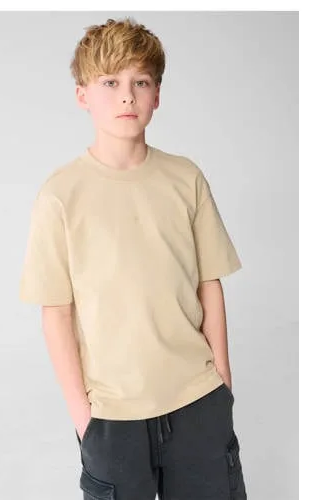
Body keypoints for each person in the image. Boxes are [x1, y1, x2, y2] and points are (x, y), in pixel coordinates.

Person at [20, 16, 247, 500]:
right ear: (82, 95)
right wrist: (84, 418)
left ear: (157, 95)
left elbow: (209, 283)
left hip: (197, 399)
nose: (127, 96)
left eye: (140, 82)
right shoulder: (60, 195)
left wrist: (223, 381)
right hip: (112, 416)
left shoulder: (185, 179)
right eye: (110, 82)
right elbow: (56, 313)